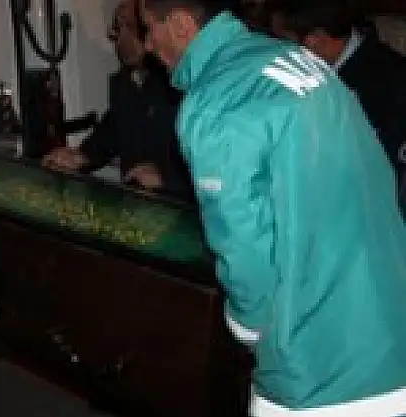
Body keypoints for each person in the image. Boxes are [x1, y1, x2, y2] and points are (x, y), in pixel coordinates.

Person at [141, 0, 406, 415]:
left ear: (179, 24)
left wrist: (249, 327)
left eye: (148, 28)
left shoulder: (219, 98)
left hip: (322, 369)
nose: (146, 44)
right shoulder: (296, 60)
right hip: (388, 328)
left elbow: (242, 246)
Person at [43, 0, 191, 197]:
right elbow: (111, 131)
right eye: (117, 28)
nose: (120, 38)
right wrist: (81, 155)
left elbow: (218, 163)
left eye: (129, 27)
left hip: (181, 205)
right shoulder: (123, 83)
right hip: (135, 204)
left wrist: (166, 177)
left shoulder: (183, 83)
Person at [269, 0, 406, 212]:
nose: (278, 52)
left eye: (284, 42)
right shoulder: (339, 71)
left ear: (314, 41)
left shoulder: (384, 86)